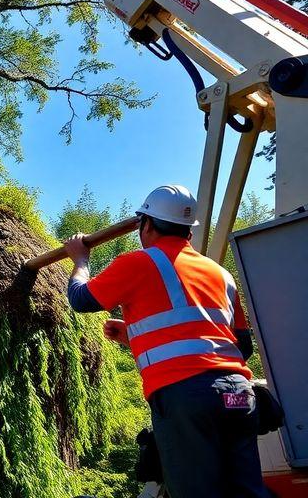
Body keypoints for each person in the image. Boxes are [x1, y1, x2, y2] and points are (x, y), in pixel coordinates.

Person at [63, 184, 268, 498]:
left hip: (187, 399)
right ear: (188, 230)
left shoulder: (138, 263)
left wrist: (80, 260)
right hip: (238, 397)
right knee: (247, 491)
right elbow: (238, 346)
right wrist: (135, 336)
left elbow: (81, 299)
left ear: (146, 225)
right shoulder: (219, 274)